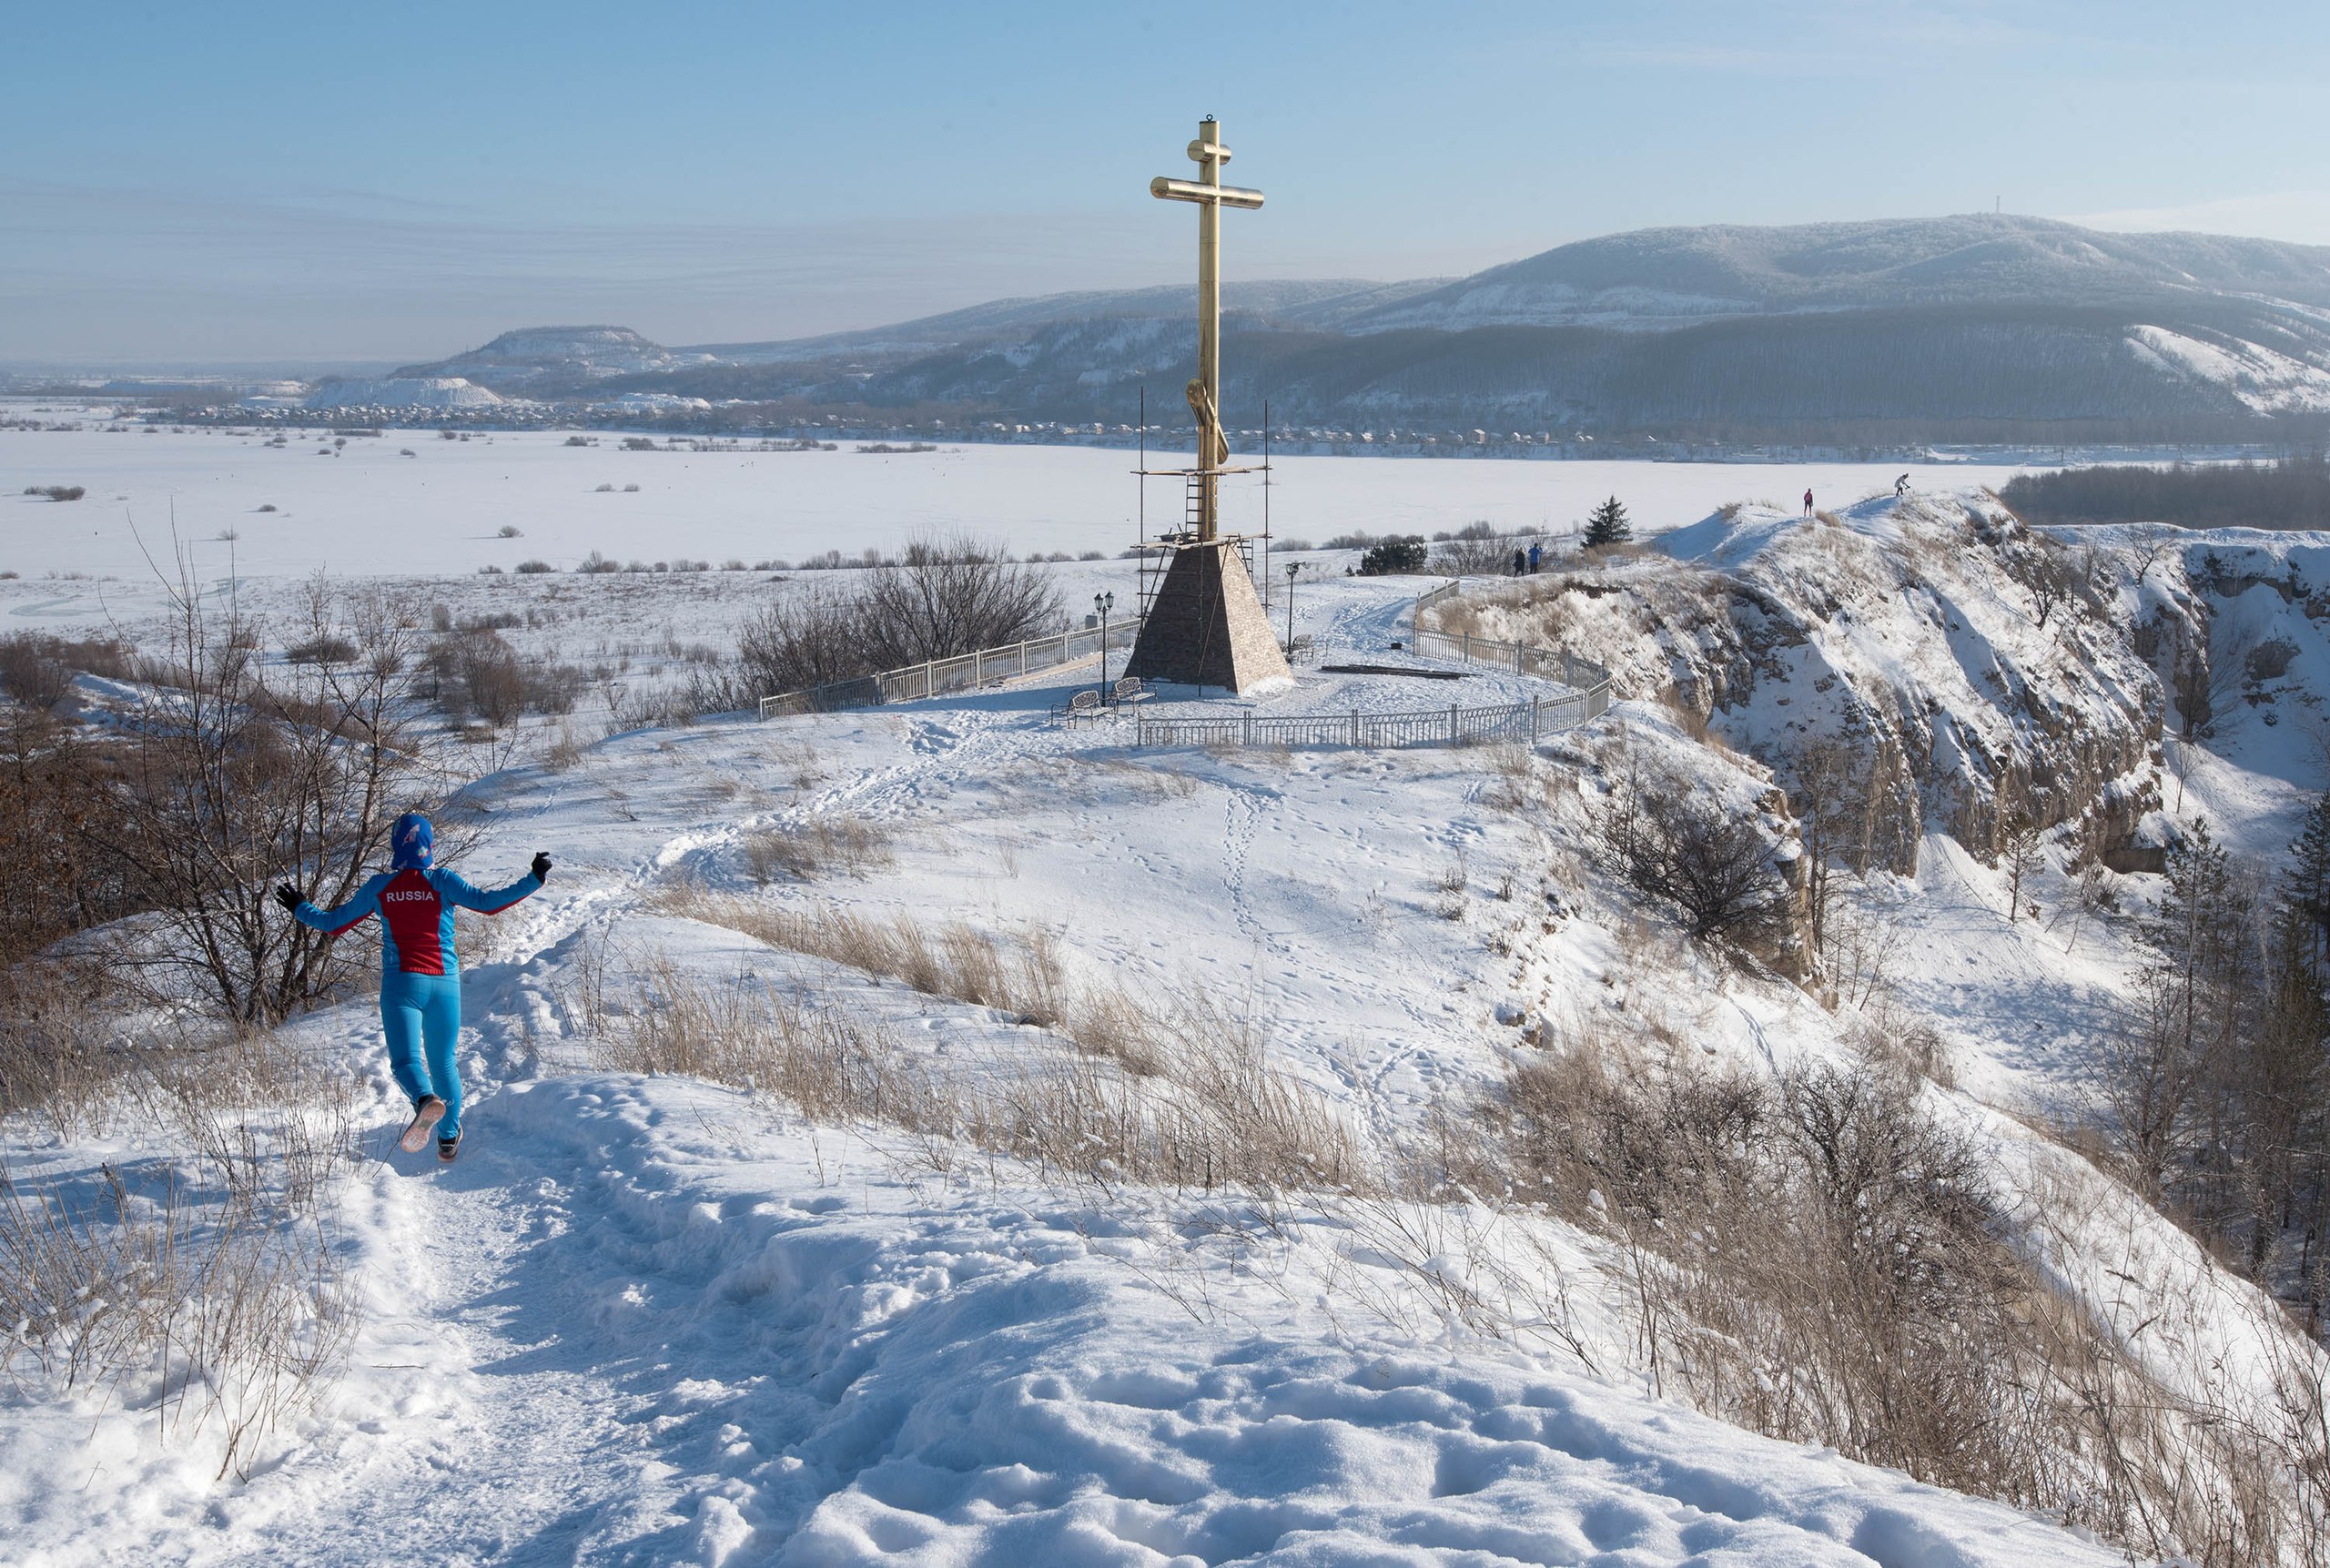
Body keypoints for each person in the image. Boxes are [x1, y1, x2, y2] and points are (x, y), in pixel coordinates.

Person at [277, 813, 550, 1163]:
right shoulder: (442, 880)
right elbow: (488, 904)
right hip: (445, 984)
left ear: (395, 846)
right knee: (444, 1063)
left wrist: (300, 907)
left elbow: (333, 924)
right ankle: (448, 1137)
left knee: (405, 1060)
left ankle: (423, 1100)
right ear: (429, 846)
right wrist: (534, 879)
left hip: (402, 984)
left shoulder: (380, 887)